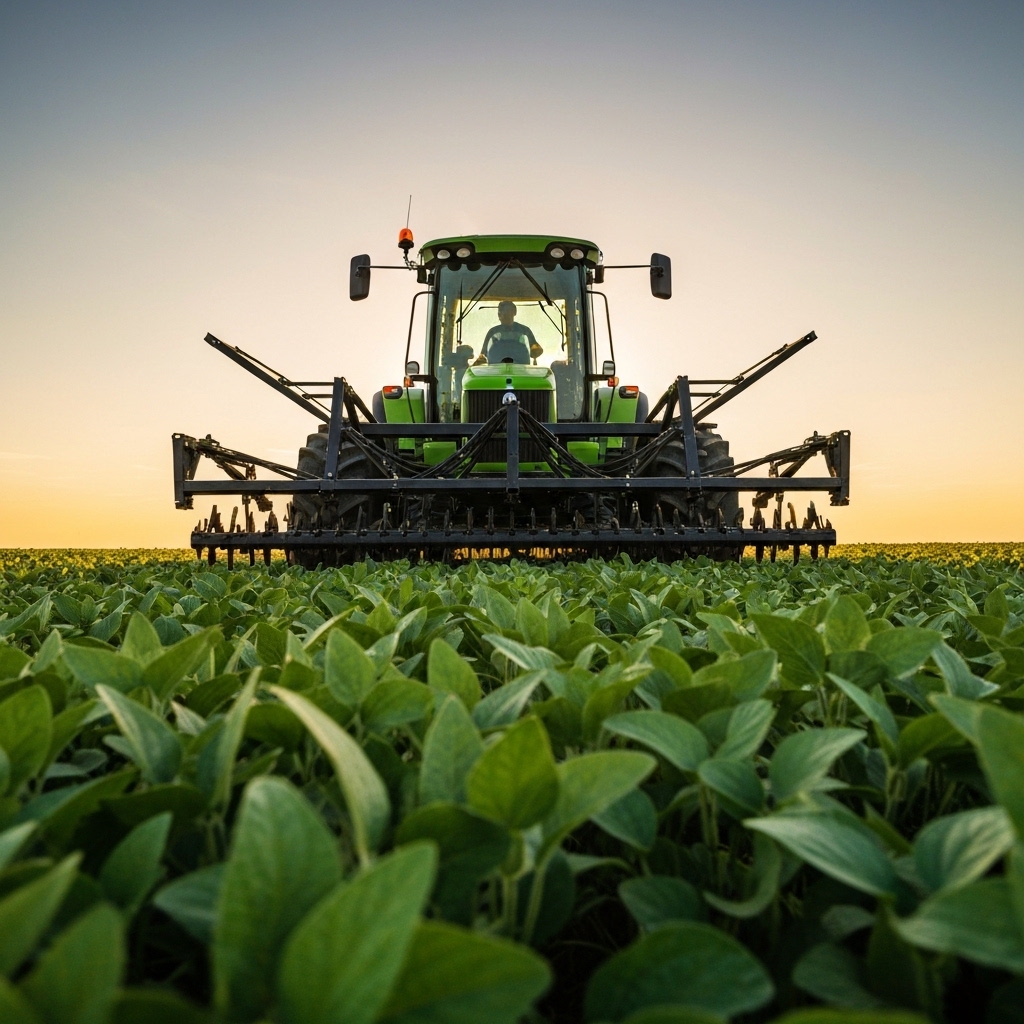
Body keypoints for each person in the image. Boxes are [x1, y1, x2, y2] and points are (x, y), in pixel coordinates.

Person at [474, 301, 542, 364]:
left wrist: (536, 349)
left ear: (514, 312)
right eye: (501, 312)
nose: (503, 315)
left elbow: (535, 347)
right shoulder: (492, 332)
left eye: (507, 312)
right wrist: (480, 359)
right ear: (498, 314)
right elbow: (484, 353)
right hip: (496, 369)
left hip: (520, 368)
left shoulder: (524, 330)